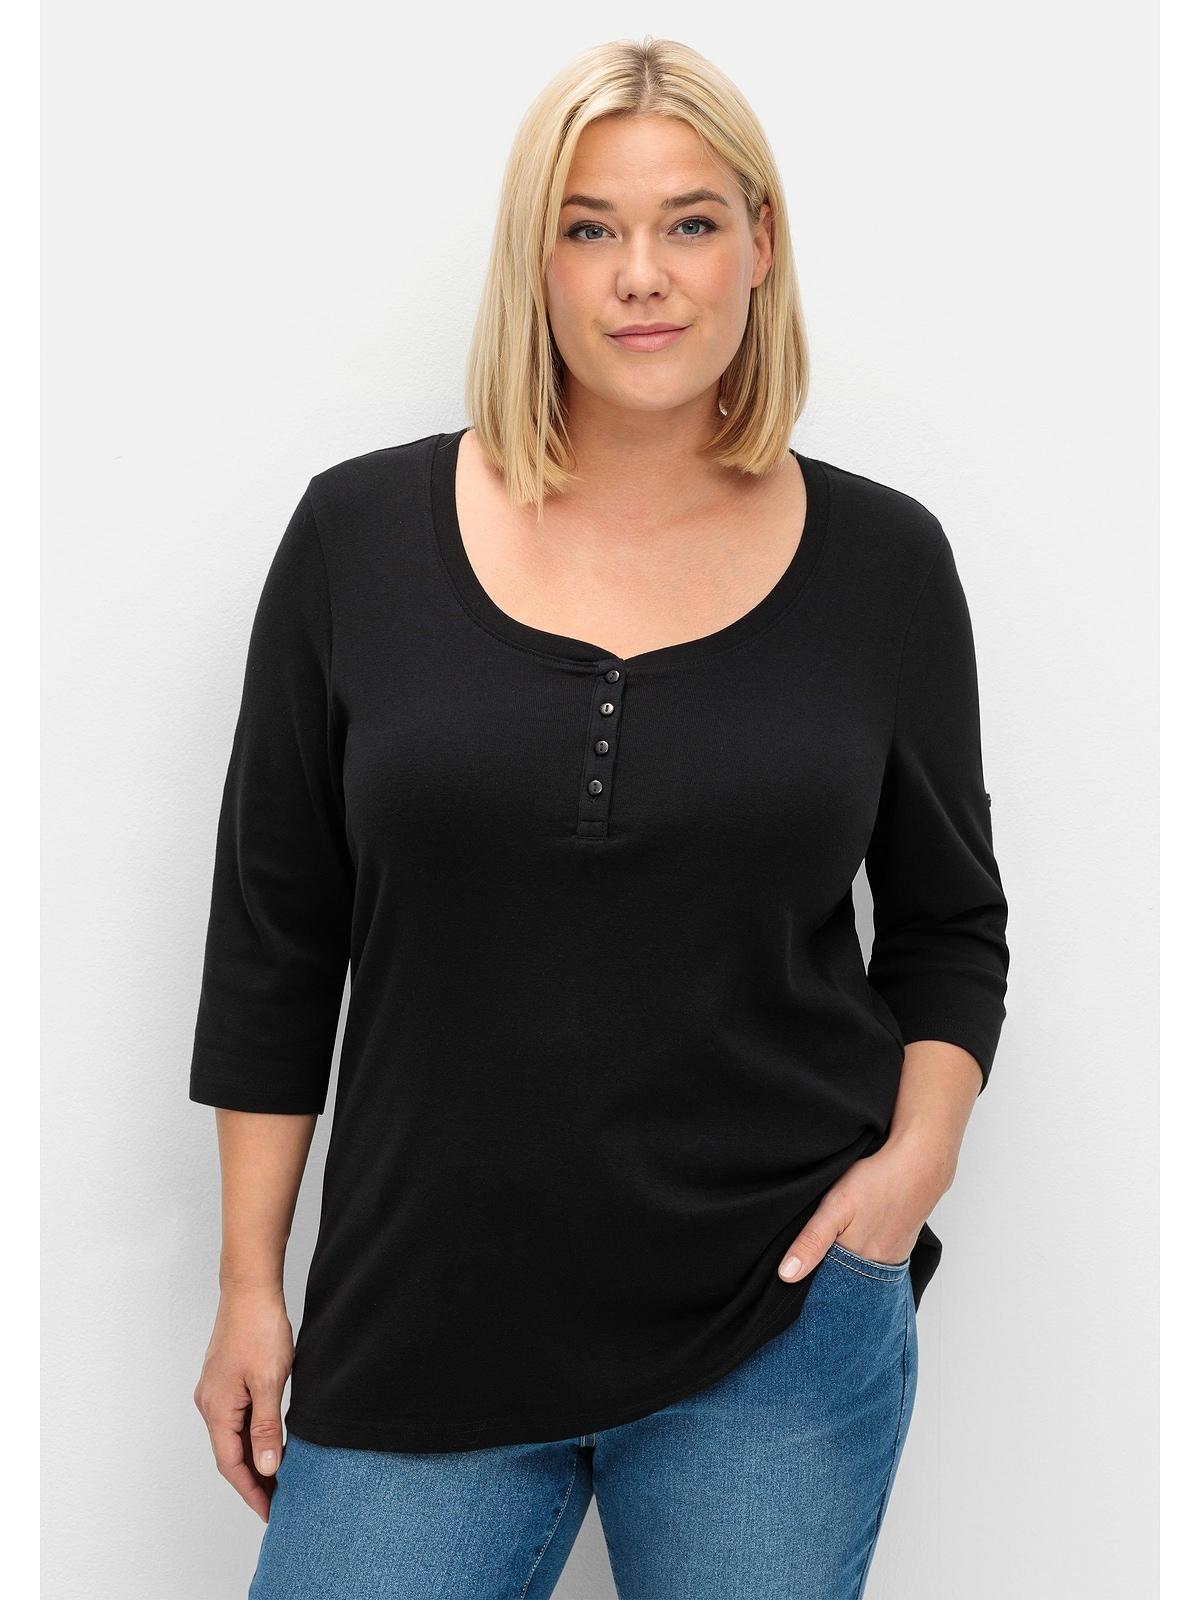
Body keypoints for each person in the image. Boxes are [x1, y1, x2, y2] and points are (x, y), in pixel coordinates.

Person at [189, 34, 1009, 1600]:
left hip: (776, 1319)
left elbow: (949, 922)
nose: (643, 274)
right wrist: (248, 1284)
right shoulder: (359, 536)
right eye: (590, 227)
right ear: (537, 260)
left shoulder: (885, 566)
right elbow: (276, 941)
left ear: (759, 244)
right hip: (420, 1315)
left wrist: (915, 1168)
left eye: (690, 221)